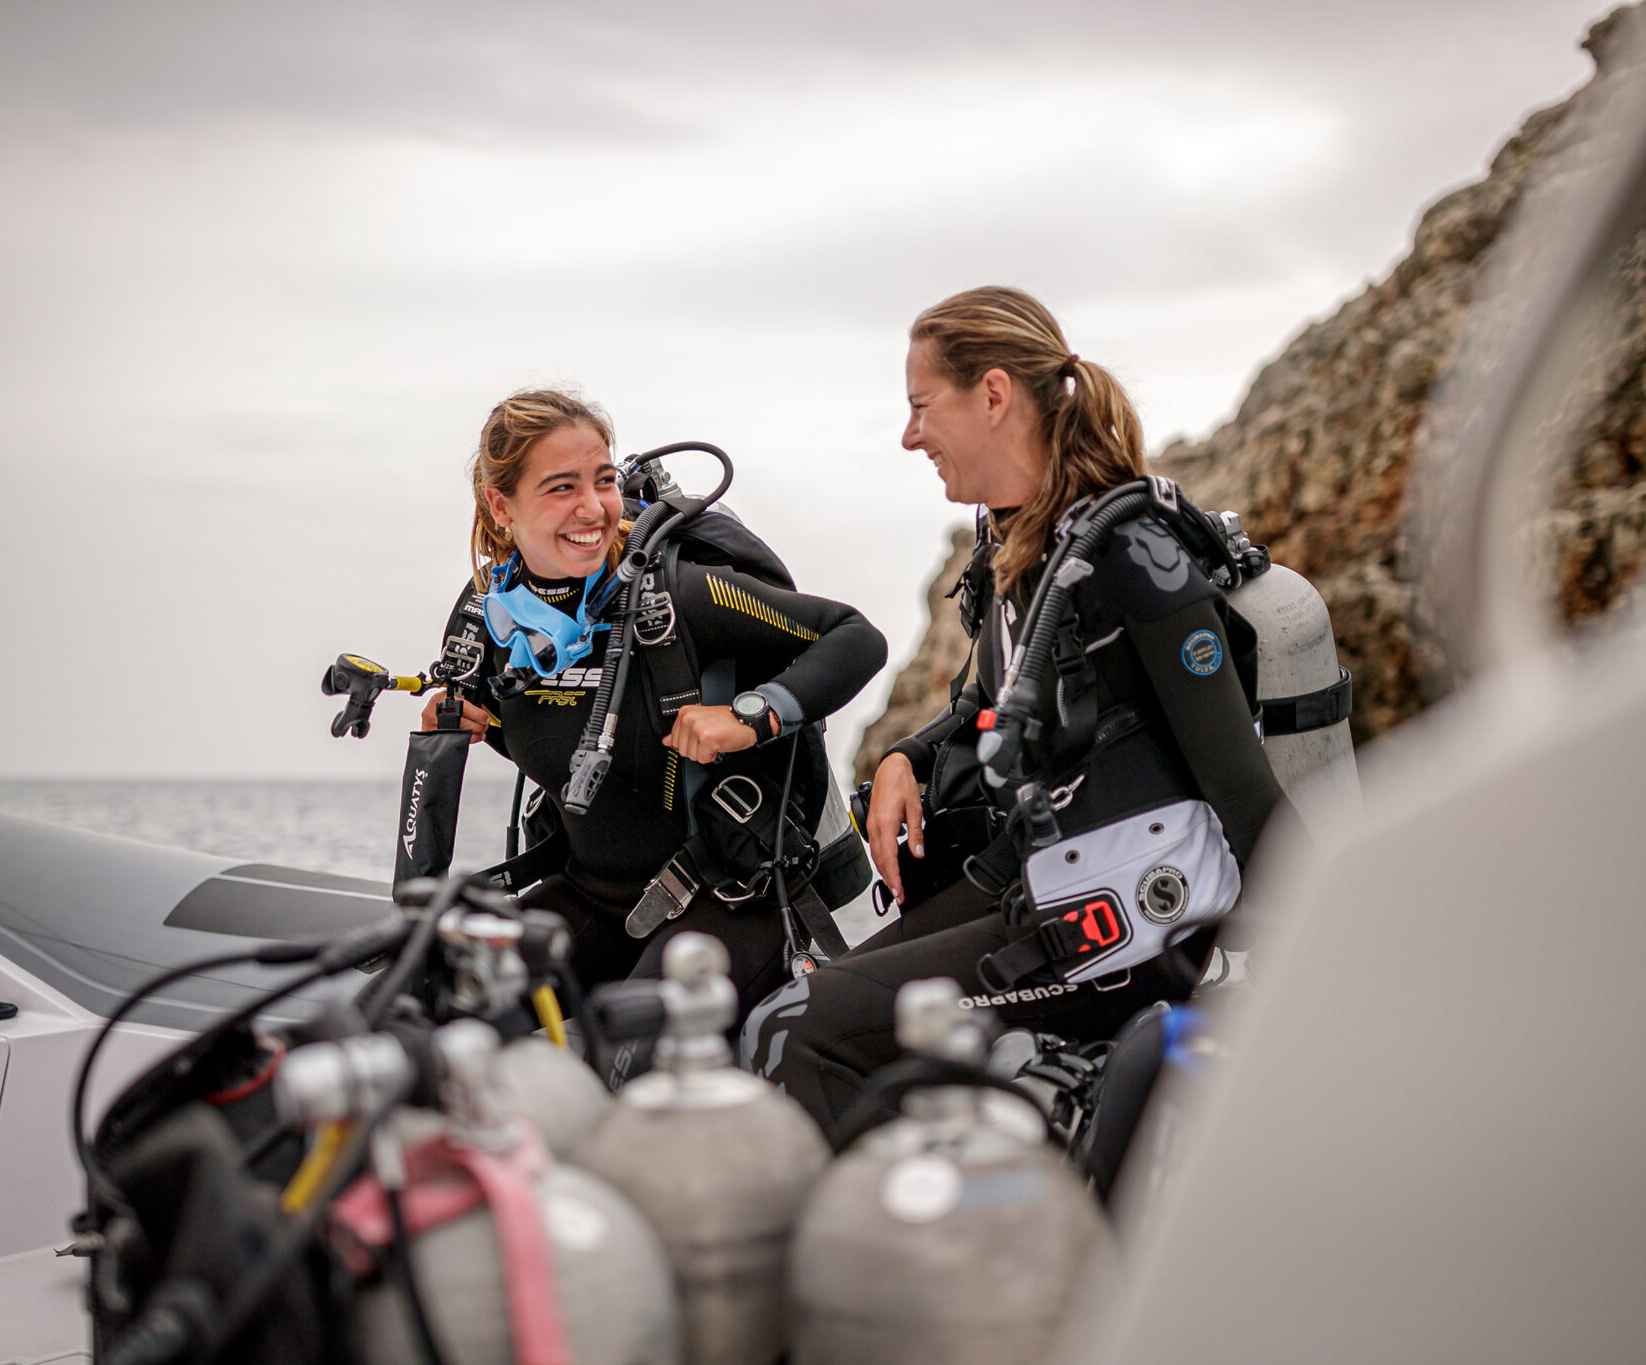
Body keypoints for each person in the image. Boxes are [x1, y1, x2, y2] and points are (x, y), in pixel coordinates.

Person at [741, 287, 1292, 1137]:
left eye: (922, 406)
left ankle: (915, 1247)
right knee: (791, 1004)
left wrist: (1331, 988)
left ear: (992, 395)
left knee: (796, 1032)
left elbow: (1247, 797)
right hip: (1038, 884)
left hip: (1129, 930)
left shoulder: (1132, 558)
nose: (909, 435)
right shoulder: (1015, 545)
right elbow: (981, 706)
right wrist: (903, 759)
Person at [423, 389, 887, 1042]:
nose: (592, 507)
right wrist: (484, 725)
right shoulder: (486, 618)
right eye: (562, 487)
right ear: (501, 506)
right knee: (428, 1002)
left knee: (626, 1057)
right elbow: (573, 738)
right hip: (587, 897)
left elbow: (855, 636)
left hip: (723, 901)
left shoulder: (677, 598)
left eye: (603, 480)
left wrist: (751, 715)